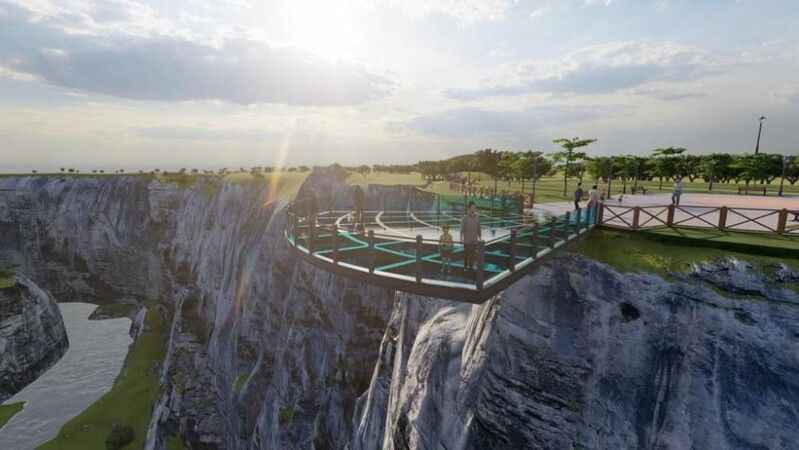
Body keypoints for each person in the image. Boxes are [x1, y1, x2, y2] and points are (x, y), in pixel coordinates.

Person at [460, 202, 482, 271]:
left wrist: (480, 237)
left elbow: (478, 227)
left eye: (474, 207)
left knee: (473, 254)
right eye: (472, 207)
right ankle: (465, 266)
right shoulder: (464, 218)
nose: (474, 208)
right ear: (469, 208)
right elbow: (462, 229)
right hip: (467, 240)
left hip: (474, 239)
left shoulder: (477, 216)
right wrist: (461, 239)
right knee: (466, 254)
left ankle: (471, 266)